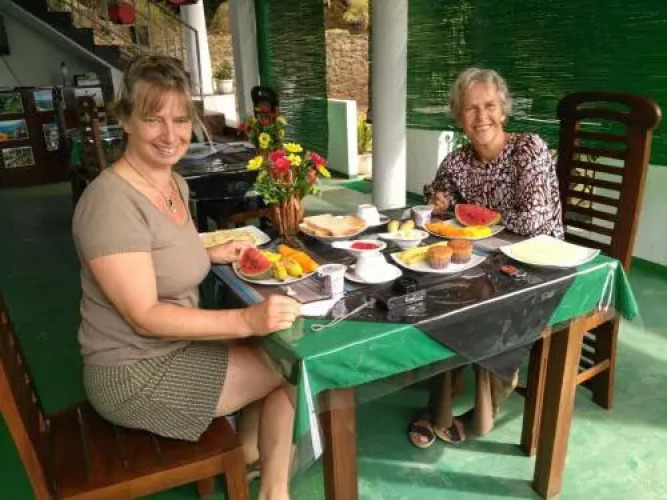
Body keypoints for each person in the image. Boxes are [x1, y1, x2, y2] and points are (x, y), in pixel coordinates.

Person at [72, 55, 300, 500]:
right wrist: (246, 320)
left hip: (174, 348)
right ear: (126, 120)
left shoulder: (173, 184)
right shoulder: (110, 204)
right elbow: (144, 317)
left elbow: (157, 252)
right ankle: (274, 492)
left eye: (180, 120)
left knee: (275, 351)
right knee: (293, 368)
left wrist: (209, 252)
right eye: (153, 119)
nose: (170, 134)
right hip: (134, 371)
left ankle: (249, 455)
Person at [408, 67, 564, 449]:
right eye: (471, 109)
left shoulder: (528, 149)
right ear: (459, 117)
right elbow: (438, 198)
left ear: (503, 110)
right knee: (436, 288)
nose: (482, 117)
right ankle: (441, 402)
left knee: (492, 302)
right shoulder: (458, 161)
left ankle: (484, 408)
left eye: (489, 106)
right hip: (484, 261)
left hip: (537, 262)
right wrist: (440, 201)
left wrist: (479, 213)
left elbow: (534, 220)